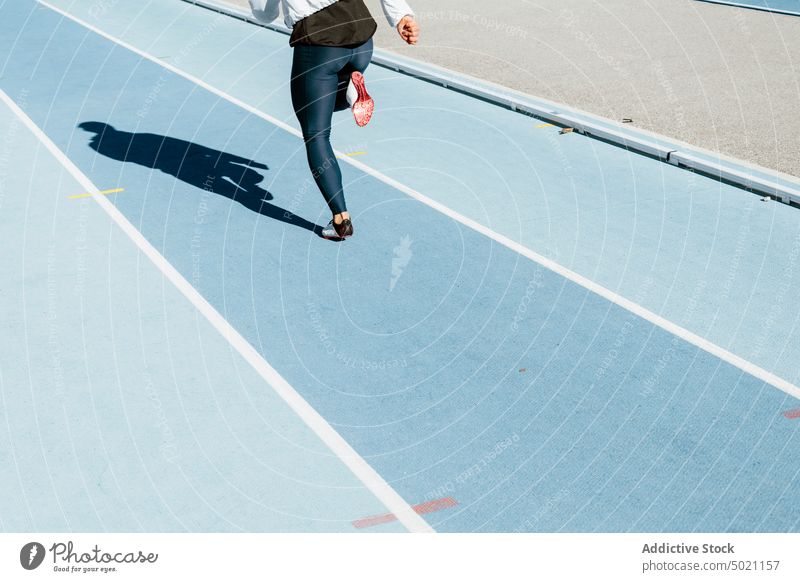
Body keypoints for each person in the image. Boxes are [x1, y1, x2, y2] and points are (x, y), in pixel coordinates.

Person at [250, 0, 420, 240]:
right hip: (361, 35)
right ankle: (350, 87)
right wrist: (401, 16)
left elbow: (264, 13)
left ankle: (341, 219)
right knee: (321, 105)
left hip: (320, 43)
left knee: (315, 133)